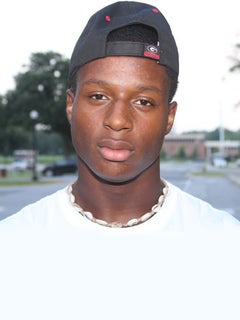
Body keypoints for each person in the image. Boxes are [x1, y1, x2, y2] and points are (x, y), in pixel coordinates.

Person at [0, 2, 239, 319]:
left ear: (169, 118)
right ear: (71, 104)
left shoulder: (225, 246)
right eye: (98, 96)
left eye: (143, 101)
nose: (117, 120)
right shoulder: (13, 246)